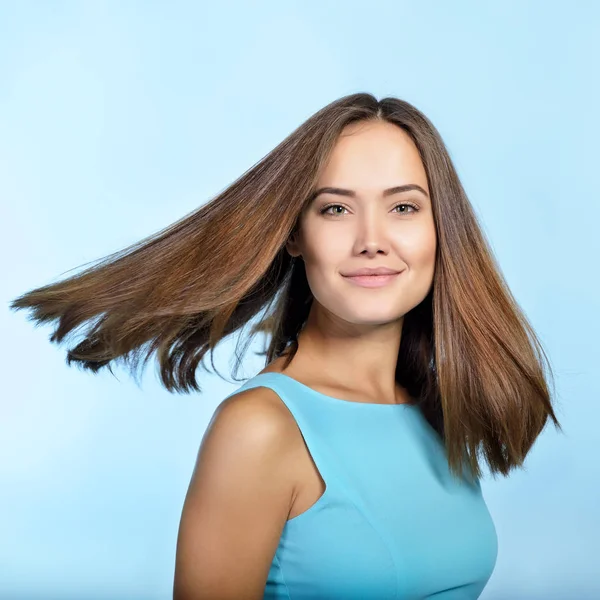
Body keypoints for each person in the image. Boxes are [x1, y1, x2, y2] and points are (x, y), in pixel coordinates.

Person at [10, 93, 562, 599]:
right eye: (335, 209)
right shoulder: (260, 428)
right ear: (295, 234)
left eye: (403, 207)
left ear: (442, 230)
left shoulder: (433, 405)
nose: (372, 240)